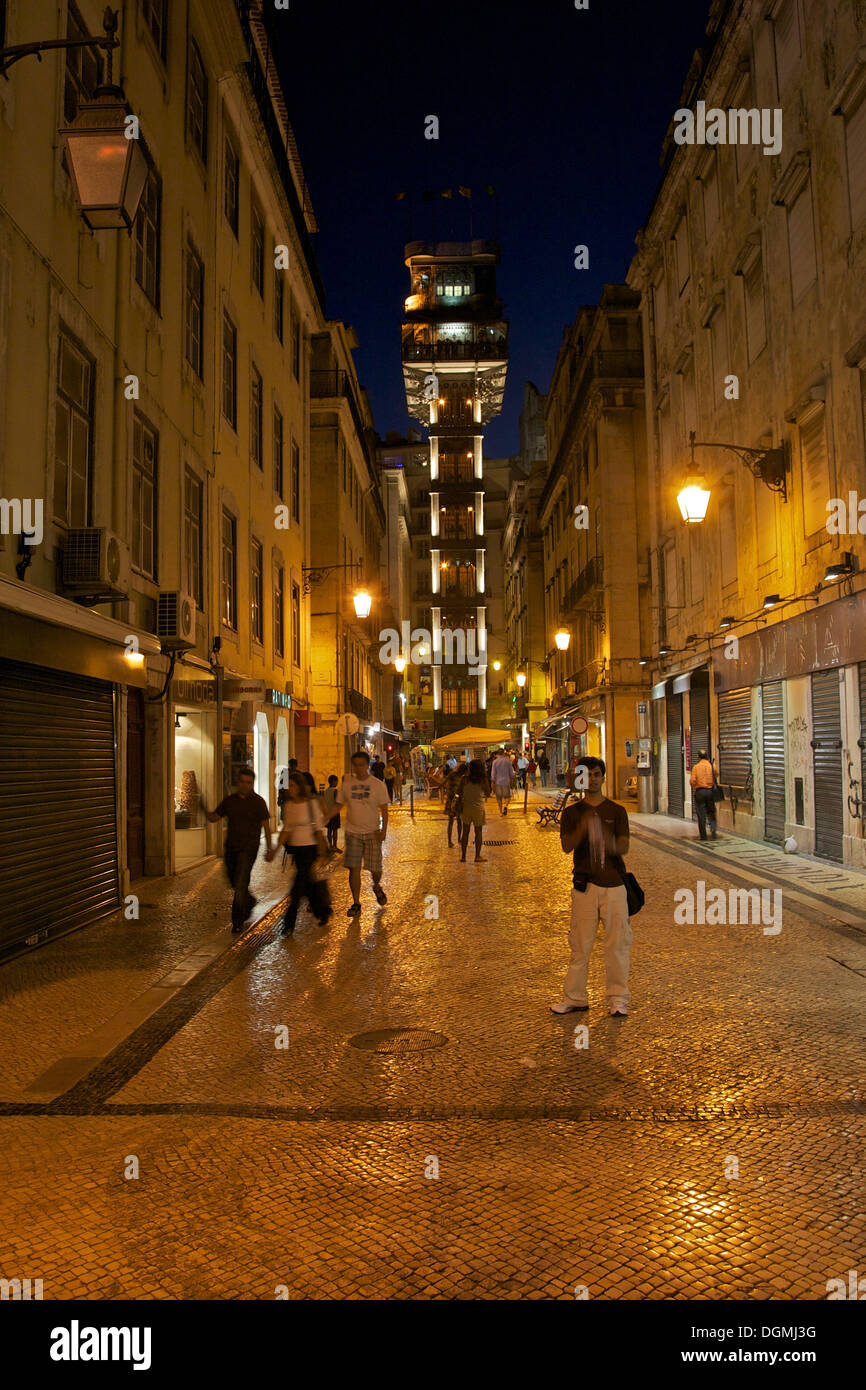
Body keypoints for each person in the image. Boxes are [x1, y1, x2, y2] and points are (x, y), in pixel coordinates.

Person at [551, 756, 632, 1018]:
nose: (593, 779)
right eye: (587, 775)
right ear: (580, 779)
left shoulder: (617, 812)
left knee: (617, 944)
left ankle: (618, 999)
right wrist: (586, 827)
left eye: (597, 774)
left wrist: (603, 837)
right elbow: (566, 846)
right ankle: (574, 997)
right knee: (579, 945)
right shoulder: (572, 813)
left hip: (615, 886)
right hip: (584, 887)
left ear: (603, 777)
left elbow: (623, 848)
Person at [204, 768, 274, 933]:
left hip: (249, 848)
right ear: (238, 782)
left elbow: (266, 826)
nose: (245, 785)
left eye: (248, 783)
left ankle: (237, 920)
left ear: (252, 784)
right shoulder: (230, 801)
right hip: (231, 848)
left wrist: (270, 848)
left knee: (241, 882)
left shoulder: (258, 802)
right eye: (242, 782)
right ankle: (249, 901)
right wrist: (206, 812)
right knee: (233, 881)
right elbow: (215, 817)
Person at [274, 772, 332, 934]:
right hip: (297, 850)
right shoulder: (289, 805)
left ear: (299, 786)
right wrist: (275, 849)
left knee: (297, 887)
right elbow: (287, 829)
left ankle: (289, 923)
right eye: (288, 785)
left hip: (310, 848)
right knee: (308, 884)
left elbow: (318, 829)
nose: (289, 788)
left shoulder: (311, 803)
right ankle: (322, 911)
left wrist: (321, 852)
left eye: (292, 785)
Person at [337, 750, 390, 914]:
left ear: (367, 765)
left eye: (361, 765)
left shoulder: (378, 785)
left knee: (375, 869)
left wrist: (383, 830)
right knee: (354, 868)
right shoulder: (347, 784)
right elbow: (338, 805)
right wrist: (324, 817)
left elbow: (384, 809)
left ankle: (376, 885)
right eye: (356, 765)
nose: (358, 768)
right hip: (353, 832)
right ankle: (356, 902)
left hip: (372, 832)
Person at [458, 760, 489, 862]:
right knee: (478, 832)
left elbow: (459, 792)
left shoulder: (464, 779)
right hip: (478, 808)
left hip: (466, 807)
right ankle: (477, 856)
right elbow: (488, 793)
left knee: (465, 832)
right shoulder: (483, 780)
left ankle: (463, 856)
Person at [690, 750, 719, 841]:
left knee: (701, 814)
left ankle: (703, 836)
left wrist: (696, 785)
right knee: (711, 811)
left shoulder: (696, 767)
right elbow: (717, 774)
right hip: (710, 792)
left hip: (700, 792)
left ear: (698, 757)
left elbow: (692, 781)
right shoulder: (711, 765)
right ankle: (713, 829)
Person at [443, 761, 468, 848]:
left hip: (456, 800)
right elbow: (449, 787)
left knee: (458, 820)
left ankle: (458, 839)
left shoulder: (460, 777)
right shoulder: (454, 776)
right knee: (453, 821)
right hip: (453, 801)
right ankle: (450, 840)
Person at [490, 749, 517, 815]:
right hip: (506, 782)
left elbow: (493, 773)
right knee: (507, 797)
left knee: (499, 798)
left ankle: (500, 812)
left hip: (498, 782)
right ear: (503, 754)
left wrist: (492, 781)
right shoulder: (508, 762)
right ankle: (505, 806)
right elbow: (511, 773)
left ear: (498, 754)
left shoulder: (495, 762)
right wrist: (512, 778)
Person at [322, 774, 341, 850]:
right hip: (335, 813)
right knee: (335, 830)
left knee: (329, 830)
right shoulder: (335, 791)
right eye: (336, 781)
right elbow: (337, 802)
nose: (337, 783)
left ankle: (330, 846)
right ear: (333, 782)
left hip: (328, 813)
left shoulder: (325, 791)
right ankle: (335, 846)